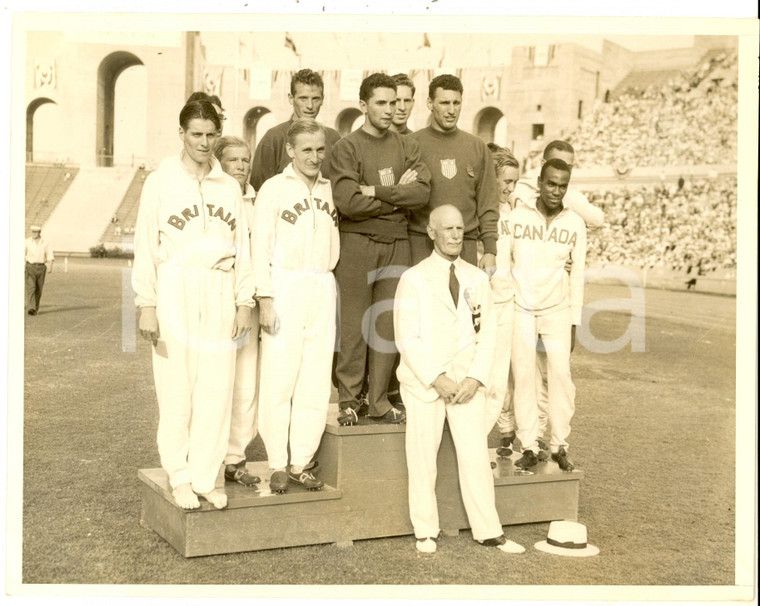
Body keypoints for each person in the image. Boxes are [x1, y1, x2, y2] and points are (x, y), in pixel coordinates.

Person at [133, 100, 255, 510]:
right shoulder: (160, 181)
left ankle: (206, 475)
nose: (204, 142)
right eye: (196, 134)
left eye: (210, 134)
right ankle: (180, 475)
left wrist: (243, 300)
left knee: (216, 387)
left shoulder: (229, 186)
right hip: (176, 287)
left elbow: (243, 248)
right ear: (181, 134)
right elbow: (146, 247)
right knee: (177, 386)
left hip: (220, 288)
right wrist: (146, 303)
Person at [394, 204, 525, 555]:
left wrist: (475, 378)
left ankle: (488, 530)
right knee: (422, 456)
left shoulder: (478, 278)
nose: (455, 235)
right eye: (447, 229)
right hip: (426, 384)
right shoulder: (414, 278)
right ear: (431, 233)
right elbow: (407, 337)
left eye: (459, 229)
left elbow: (489, 336)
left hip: (467, 383)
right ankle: (425, 529)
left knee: (475, 456)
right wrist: (436, 378)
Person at [328, 72, 431, 426]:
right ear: (363, 105)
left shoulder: (407, 145)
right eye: (382, 103)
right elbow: (348, 202)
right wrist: (395, 202)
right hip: (357, 242)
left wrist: (374, 191)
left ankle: (379, 401)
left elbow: (422, 193)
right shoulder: (347, 147)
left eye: (396, 103)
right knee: (355, 324)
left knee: (387, 323)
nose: (391, 110)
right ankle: (348, 399)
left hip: (397, 243)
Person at [252, 119, 339, 494]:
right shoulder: (273, 189)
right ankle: (275, 462)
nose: (314, 157)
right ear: (290, 151)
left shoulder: (331, 189)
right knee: (279, 377)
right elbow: (259, 247)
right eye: (306, 149)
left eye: (320, 150)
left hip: (321, 283)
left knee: (316, 379)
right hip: (285, 283)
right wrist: (265, 298)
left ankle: (301, 460)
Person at [511, 140, 603, 458]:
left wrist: (575, 321)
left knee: (561, 375)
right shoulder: (517, 216)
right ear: (539, 183)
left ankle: (559, 442)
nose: (556, 191)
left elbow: (577, 275)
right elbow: (504, 263)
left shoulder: (575, 223)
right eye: (550, 183)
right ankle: (528, 442)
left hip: (558, 311)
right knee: (524, 377)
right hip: (521, 308)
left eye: (562, 186)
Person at [409, 74, 499, 273]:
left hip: (463, 244)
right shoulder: (412, 144)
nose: (451, 110)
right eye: (444, 103)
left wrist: (490, 249)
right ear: (430, 103)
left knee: (462, 303)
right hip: (421, 243)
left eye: (456, 103)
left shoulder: (477, 147)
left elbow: (488, 202)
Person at [213, 136, 262, 488]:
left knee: (247, 381)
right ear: (220, 163)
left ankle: (235, 457)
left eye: (246, 160)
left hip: (252, 301)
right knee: (215, 380)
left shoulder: (259, 200)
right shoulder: (214, 198)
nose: (242, 166)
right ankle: (205, 456)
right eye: (233, 160)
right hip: (216, 297)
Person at [483, 146, 520, 455]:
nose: (509, 188)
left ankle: (493, 434)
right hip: (482, 305)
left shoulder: (513, 212)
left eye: (514, 182)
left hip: (507, 302)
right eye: (505, 181)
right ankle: (471, 440)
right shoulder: (480, 210)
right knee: (480, 375)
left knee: (499, 377)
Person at [250, 69, 341, 190]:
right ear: (291, 98)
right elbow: (259, 191)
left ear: (323, 99)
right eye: (303, 98)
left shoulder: (333, 138)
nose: (310, 106)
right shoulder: (273, 138)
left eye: (315, 99)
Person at [24, 225, 54, 315]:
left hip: (41, 267)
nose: (34, 234)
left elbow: (49, 254)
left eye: (36, 232)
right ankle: (31, 307)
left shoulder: (45, 243)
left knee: (39, 289)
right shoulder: (27, 242)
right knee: (31, 287)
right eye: (33, 232)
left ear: (39, 232)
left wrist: (50, 266)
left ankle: (35, 308)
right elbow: (22, 254)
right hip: (30, 267)